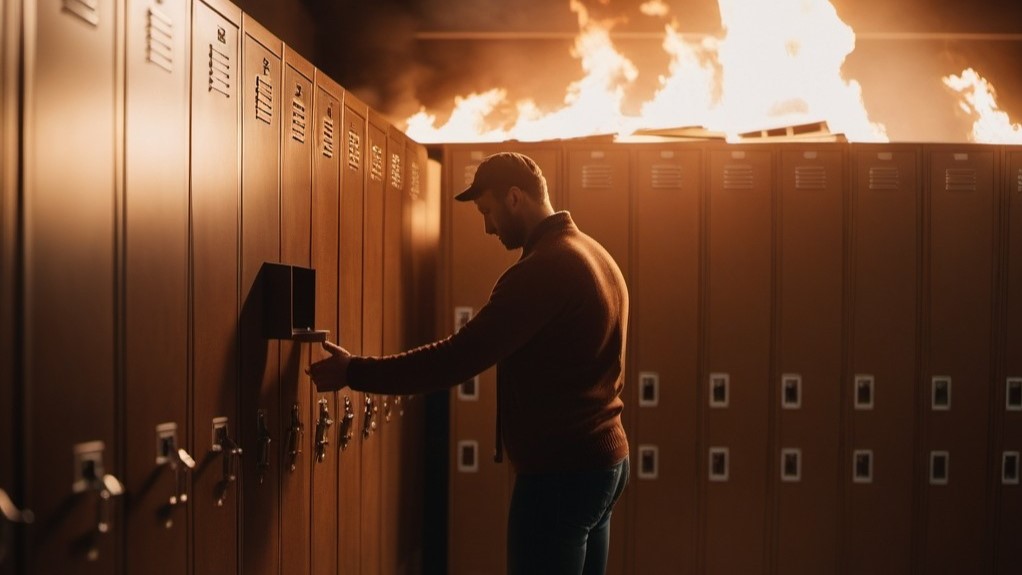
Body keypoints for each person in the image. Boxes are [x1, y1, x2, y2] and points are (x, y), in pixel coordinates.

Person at [308, 151, 630, 575]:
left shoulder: (544, 269)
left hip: (560, 476)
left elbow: (456, 359)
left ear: (515, 197)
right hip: (602, 463)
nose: (487, 226)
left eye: (488, 211)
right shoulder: (595, 253)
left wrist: (355, 371)